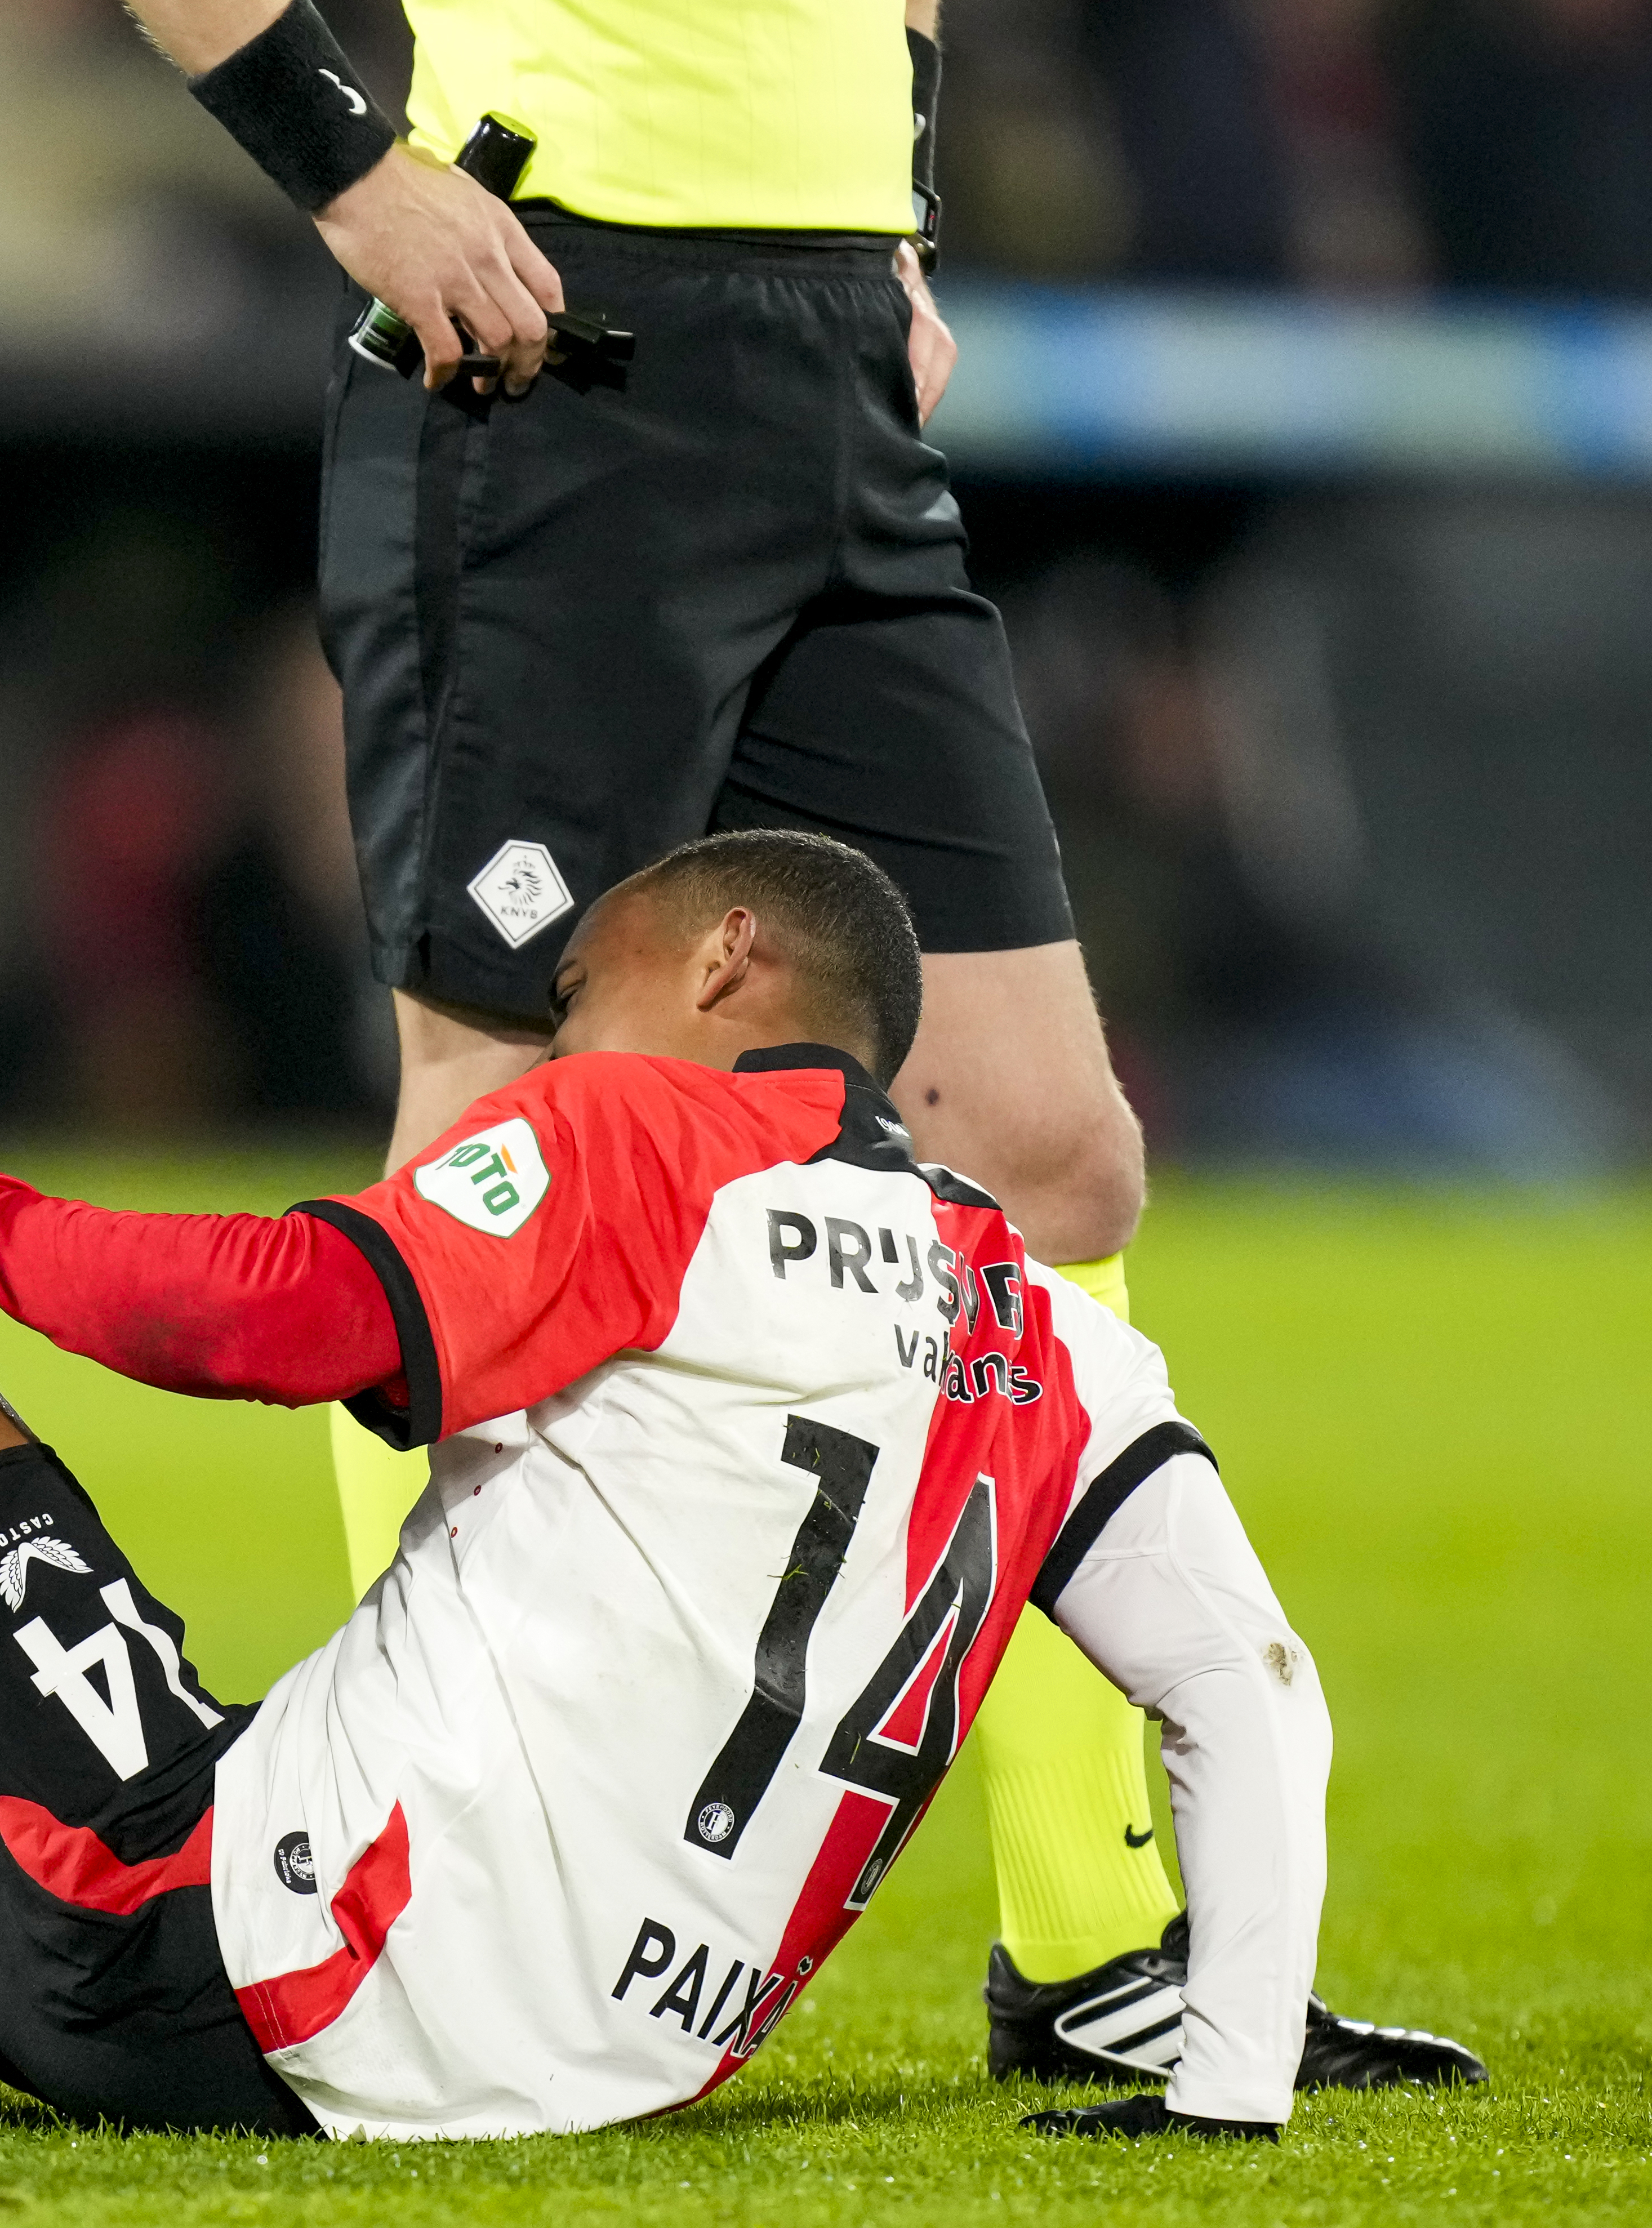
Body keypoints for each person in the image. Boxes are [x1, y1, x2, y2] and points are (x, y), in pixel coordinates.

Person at [0, 831, 1474, 2135]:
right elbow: (1250, 1699)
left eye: (577, 990)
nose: (548, 1046)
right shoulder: (1038, 1320)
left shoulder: (650, 1135)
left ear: (719, 962)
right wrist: (1228, 2091)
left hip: (290, 1963)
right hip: (621, 2049)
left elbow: (276, 1314)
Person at [104, 0, 1463, 2082]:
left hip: (824, 350)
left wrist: (892, 210)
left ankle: (1089, 1949)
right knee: (500, 1113)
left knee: (1045, 1144)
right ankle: (402, 1894)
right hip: (559, 336)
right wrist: (351, 171)